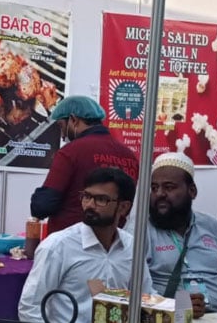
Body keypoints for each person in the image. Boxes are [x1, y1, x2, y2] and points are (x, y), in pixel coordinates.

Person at [19, 167, 151, 323]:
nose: (90, 205)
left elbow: (146, 296)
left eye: (101, 199)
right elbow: (30, 307)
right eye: (86, 196)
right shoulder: (58, 246)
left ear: (123, 207)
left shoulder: (132, 247)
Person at [142, 152, 217, 316]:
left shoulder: (212, 225)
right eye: (154, 188)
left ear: (192, 191)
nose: (160, 194)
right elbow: (134, 288)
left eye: (169, 187)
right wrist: (174, 306)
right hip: (172, 321)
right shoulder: (141, 232)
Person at [30, 95, 138, 234]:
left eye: (61, 126)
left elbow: (42, 206)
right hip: (111, 244)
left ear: (73, 120)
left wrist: (38, 197)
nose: (62, 135)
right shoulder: (130, 156)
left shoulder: (71, 152)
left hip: (71, 243)